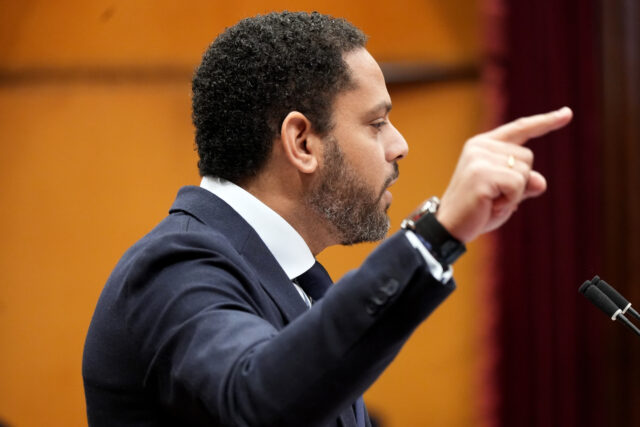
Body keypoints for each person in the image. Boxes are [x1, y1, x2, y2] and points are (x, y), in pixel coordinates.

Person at [82, 11, 572, 427]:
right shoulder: (176, 265)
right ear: (302, 143)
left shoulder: (288, 279)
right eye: (376, 123)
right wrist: (434, 236)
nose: (399, 145)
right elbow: (258, 399)